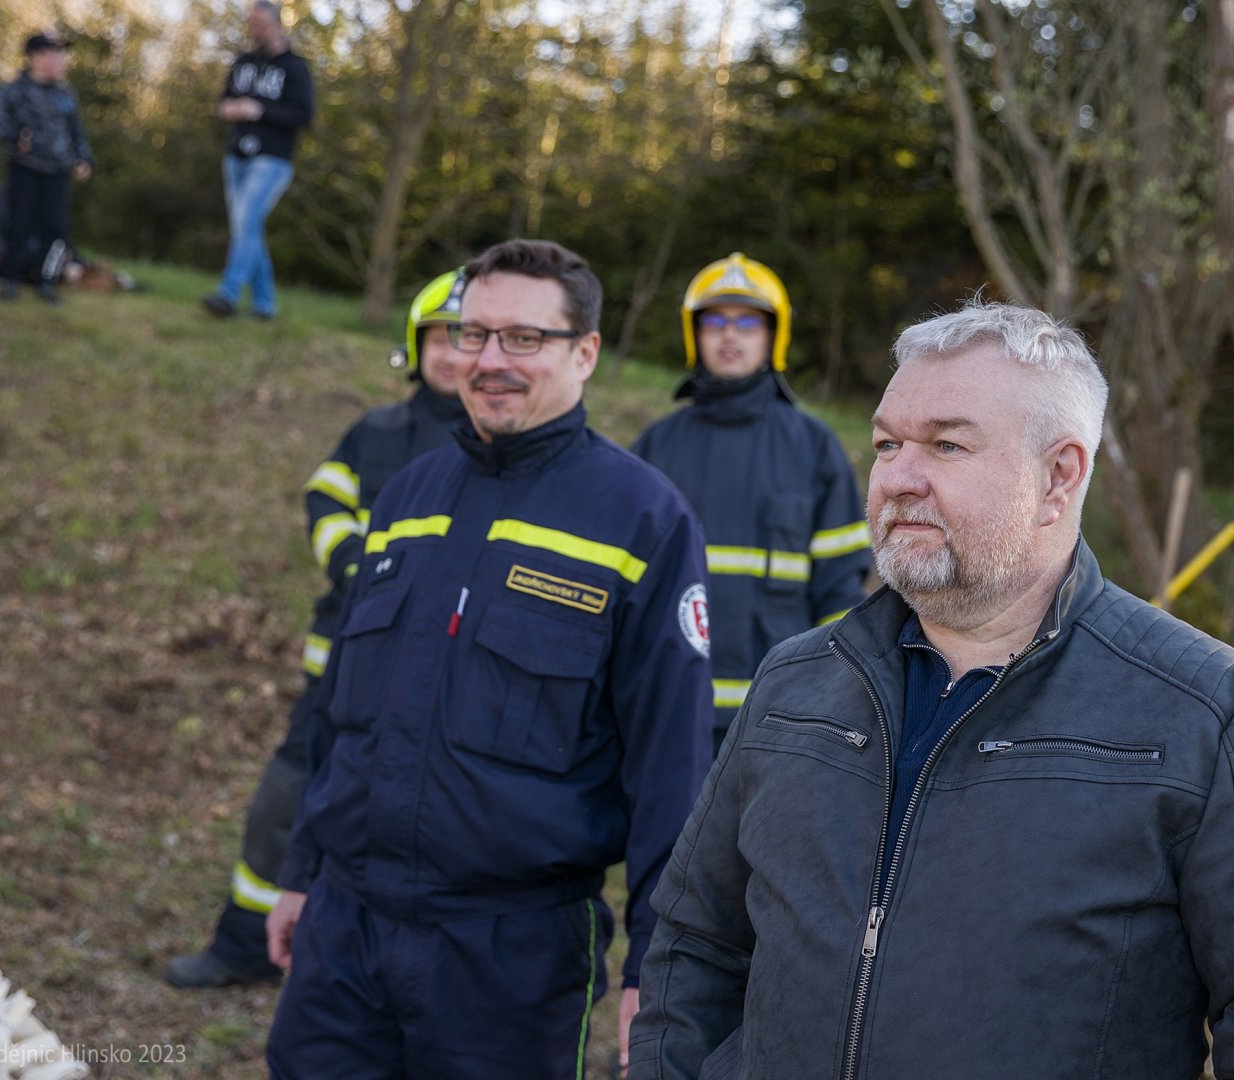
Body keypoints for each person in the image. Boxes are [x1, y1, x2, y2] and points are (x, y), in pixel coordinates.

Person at [630, 299, 1234, 1079]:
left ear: (1059, 476)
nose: (898, 479)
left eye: (947, 445)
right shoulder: (793, 684)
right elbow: (694, 948)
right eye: (888, 444)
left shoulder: (1220, 717)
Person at [264, 240, 712, 1078]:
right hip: (344, 932)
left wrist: (659, 969)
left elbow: (671, 766)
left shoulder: (643, 520)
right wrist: (303, 871)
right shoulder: (405, 498)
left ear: (585, 352)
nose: (489, 360)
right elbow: (341, 708)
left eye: (524, 338)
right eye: (472, 335)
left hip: (510, 958)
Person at [162, 270, 469, 989]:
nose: (454, 354)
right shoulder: (376, 432)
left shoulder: (500, 452)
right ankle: (245, 942)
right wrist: (357, 563)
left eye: (469, 338)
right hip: (344, 666)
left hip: (447, 682)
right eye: (441, 338)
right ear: (415, 347)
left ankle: (377, 968)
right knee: (286, 800)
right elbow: (325, 496)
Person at [633, 253, 869, 754]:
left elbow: (839, 592)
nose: (729, 335)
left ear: (773, 336)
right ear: (693, 333)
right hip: (667, 711)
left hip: (781, 717)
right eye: (715, 321)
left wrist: (830, 699)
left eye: (747, 322)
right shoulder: (656, 446)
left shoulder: (815, 448)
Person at [201, 1, 313, 321]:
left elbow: (304, 115)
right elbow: (224, 100)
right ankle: (264, 305)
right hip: (237, 156)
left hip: (272, 158)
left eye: (260, 24)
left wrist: (260, 110)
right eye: (251, 23)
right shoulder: (243, 62)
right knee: (247, 228)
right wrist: (229, 109)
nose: (255, 30)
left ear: (278, 25)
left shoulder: (295, 68)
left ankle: (228, 293)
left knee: (246, 221)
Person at [0, 33, 93, 305]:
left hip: (58, 172)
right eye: (53, 54)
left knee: (56, 230)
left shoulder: (65, 94)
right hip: (25, 169)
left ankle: (47, 282)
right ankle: (11, 280)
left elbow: (76, 131)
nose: (60, 60)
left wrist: (83, 159)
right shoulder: (16, 89)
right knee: (19, 225)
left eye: (61, 55)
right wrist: (14, 136)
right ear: (34, 58)